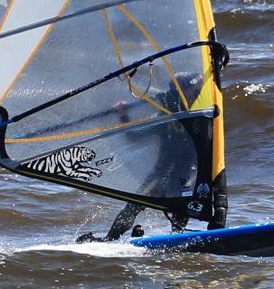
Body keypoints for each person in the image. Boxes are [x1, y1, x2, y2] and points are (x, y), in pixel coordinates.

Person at [75, 71, 204, 243]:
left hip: (187, 175)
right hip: (162, 173)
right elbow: (134, 136)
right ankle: (109, 240)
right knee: (134, 204)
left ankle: (178, 239)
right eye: (194, 89)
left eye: (199, 90)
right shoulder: (163, 116)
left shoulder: (203, 115)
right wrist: (123, 116)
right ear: (184, 91)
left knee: (183, 208)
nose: (197, 93)